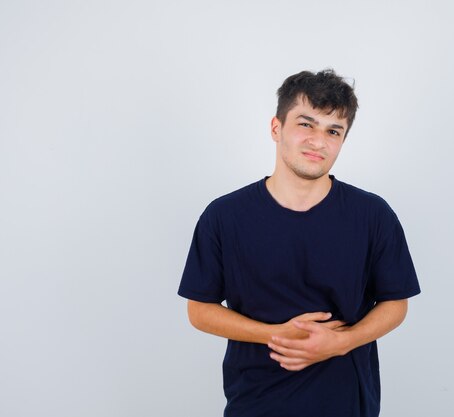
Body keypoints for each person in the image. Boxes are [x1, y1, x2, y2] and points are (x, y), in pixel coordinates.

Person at [178, 69, 420, 417]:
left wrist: (342, 342)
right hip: (256, 403)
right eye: (306, 124)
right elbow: (199, 311)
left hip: (347, 404)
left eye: (333, 131)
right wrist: (275, 334)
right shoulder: (224, 216)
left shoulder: (372, 215)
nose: (318, 141)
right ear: (276, 128)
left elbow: (396, 302)